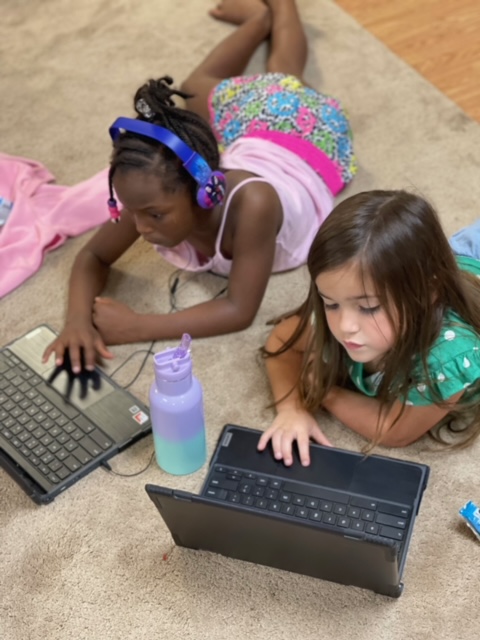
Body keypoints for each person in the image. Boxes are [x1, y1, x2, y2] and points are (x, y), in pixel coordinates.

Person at [42, 0, 356, 374]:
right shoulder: (151, 198)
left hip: (306, 137)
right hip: (253, 137)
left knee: (283, 79)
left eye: (154, 215)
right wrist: (76, 321)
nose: (140, 228)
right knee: (211, 88)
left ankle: (274, 9)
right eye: (134, 212)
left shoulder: (256, 204)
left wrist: (138, 326)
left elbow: (239, 310)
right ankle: (259, 19)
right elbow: (92, 256)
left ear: (203, 191)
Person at [257, 190, 480, 466]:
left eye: (368, 307)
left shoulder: (447, 355)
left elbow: (395, 430)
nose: (345, 326)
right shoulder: (338, 308)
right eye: (331, 303)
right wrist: (291, 409)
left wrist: (326, 392)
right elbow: (281, 341)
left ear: (427, 294)